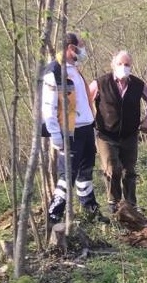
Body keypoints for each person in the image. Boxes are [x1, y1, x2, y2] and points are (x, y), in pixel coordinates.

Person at [41, 32, 109, 225]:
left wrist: (93, 125)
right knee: (67, 177)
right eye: (81, 46)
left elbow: (83, 101)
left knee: (85, 173)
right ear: (71, 48)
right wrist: (55, 134)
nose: (83, 50)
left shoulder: (75, 70)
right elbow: (48, 106)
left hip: (86, 129)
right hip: (69, 133)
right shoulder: (54, 71)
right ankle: (54, 216)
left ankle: (90, 210)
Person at [89, 50, 147, 214]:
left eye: (127, 64)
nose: (124, 67)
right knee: (113, 169)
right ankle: (114, 203)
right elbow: (85, 99)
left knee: (129, 170)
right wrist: (87, 121)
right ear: (113, 65)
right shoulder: (100, 83)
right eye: (120, 64)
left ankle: (130, 205)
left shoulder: (137, 84)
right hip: (106, 133)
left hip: (130, 134)